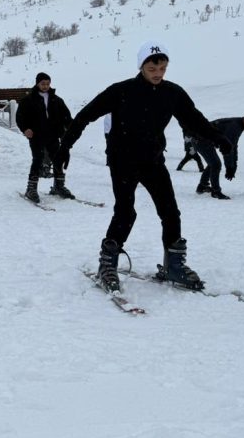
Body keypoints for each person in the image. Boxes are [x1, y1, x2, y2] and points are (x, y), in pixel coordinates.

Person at [57, 41, 232, 291]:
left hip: (152, 160)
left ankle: (173, 265)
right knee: (126, 212)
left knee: (170, 211)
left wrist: (219, 138)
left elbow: (194, 119)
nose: (158, 73)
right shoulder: (121, 91)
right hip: (123, 160)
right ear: (141, 66)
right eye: (152, 67)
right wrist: (65, 146)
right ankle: (107, 264)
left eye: (162, 67)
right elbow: (86, 115)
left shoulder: (173, 93)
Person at [16, 72, 74, 203]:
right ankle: (31, 189)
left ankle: (59, 186)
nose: (45, 86)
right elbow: (20, 117)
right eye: (43, 84)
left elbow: (66, 116)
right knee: (38, 159)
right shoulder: (28, 100)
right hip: (36, 136)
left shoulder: (56, 100)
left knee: (58, 159)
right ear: (37, 83)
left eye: (47, 84)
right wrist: (25, 129)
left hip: (53, 135)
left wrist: (70, 128)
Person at [193, 110, 244, 200]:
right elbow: (227, 149)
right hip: (199, 139)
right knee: (215, 164)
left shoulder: (238, 125)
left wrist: (233, 166)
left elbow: (233, 146)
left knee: (213, 163)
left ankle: (202, 186)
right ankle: (216, 191)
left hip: (203, 139)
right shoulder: (235, 127)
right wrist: (229, 167)